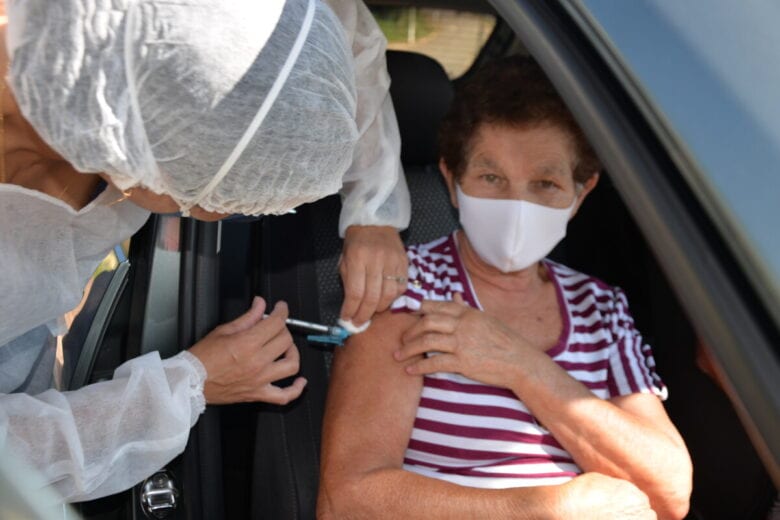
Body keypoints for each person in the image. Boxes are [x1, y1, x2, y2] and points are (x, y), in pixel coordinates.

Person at [0, 0, 409, 502]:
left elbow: (325, 36)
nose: (210, 212)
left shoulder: (126, 104)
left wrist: (373, 211)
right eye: (209, 197)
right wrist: (185, 386)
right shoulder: (128, 132)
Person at [318, 56, 693, 519]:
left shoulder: (602, 306)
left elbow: (672, 491)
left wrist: (521, 365)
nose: (518, 206)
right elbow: (348, 501)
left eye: (546, 183)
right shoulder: (406, 288)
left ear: (581, 194)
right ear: (453, 183)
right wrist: (544, 510)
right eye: (492, 178)